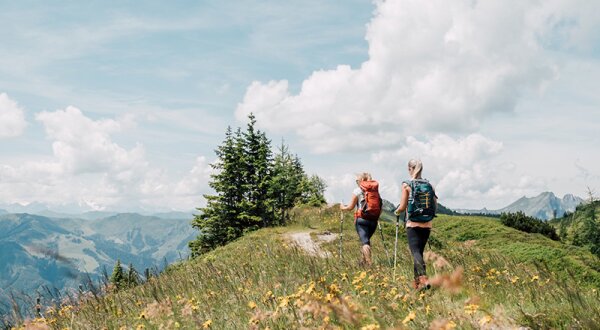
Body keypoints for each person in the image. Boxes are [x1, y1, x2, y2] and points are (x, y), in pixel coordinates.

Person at [395, 159, 437, 290]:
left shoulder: (407, 184)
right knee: (419, 252)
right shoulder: (430, 185)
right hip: (427, 224)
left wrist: (397, 211)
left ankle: (423, 278)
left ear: (410, 169)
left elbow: (402, 207)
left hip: (413, 224)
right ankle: (418, 285)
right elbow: (435, 205)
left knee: (416, 253)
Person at [340, 172, 381, 267]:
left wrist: (342, 207)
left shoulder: (357, 191)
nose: (356, 182)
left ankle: (369, 265)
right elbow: (380, 206)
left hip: (362, 220)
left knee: (365, 243)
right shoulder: (375, 192)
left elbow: (350, 207)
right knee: (366, 241)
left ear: (361, 180)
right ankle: (363, 262)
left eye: (357, 180)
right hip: (373, 221)